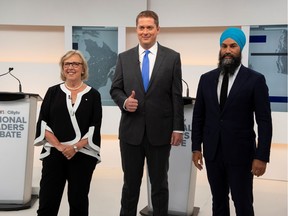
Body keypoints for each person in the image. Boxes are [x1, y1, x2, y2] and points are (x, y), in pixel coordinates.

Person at [110, 10, 184, 216]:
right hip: (130, 133)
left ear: (158, 29)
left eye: (149, 27)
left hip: (160, 133)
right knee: (130, 185)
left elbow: (176, 95)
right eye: (141, 27)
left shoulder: (172, 58)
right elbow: (115, 89)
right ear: (136, 30)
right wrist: (125, 102)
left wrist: (178, 127)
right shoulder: (124, 58)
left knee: (160, 185)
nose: (145, 31)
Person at [192, 27, 273, 216]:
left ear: (240, 49)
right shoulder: (206, 79)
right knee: (218, 201)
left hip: (241, 154)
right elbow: (198, 116)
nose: (227, 50)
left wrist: (261, 156)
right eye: (224, 46)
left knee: (242, 202)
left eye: (233, 46)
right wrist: (196, 147)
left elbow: (264, 121)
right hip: (213, 152)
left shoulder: (255, 80)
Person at [34, 50, 102, 216]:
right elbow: (43, 122)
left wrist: (75, 147)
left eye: (75, 64)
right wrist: (59, 146)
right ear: (63, 68)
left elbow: (95, 126)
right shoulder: (52, 92)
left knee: (78, 202)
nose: (71, 67)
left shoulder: (93, 95)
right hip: (55, 154)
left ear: (83, 69)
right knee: (48, 201)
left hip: (83, 155)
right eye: (67, 64)